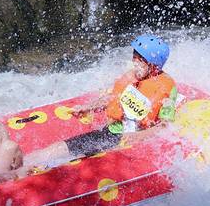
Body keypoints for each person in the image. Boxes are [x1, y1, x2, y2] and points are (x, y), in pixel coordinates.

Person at [24, 34, 178, 167]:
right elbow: (113, 98)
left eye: (140, 59)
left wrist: (140, 136)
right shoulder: (132, 76)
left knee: (89, 164)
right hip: (111, 133)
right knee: (59, 148)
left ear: (154, 66)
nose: (135, 62)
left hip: (134, 143)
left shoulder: (167, 88)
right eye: (134, 56)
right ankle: (20, 165)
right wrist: (88, 107)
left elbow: (165, 125)